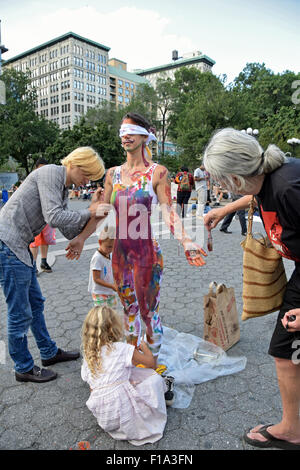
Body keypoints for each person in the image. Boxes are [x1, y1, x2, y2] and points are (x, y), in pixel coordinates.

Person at [65, 112, 206, 371]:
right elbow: (102, 211)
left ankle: (152, 366)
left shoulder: (157, 172)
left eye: (131, 131)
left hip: (147, 254)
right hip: (120, 254)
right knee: (128, 310)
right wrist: (80, 239)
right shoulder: (112, 175)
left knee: (148, 313)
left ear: (145, 136)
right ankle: (133, 362)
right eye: (122, 132)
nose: (125, 136)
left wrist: (186, 240)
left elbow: (168, 210)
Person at [203, 127, 300, 450]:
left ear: (235, 178)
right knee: (287, 350)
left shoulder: (290, 187)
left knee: (285, 349)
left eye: (219, 180)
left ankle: (291, 430)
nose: (217, 186)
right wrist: (223, 211)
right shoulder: (266, 178)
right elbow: (255, 194)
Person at [0, 146, 106, 383]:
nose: (86, 181)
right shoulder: (50, 173)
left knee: (35, 303)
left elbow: (68, 229)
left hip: (18, 246)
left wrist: (92, 217)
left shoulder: (62, 186)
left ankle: (48, 352)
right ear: (76, 164)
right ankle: (23, 367)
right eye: (87, 174)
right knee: (20, 311)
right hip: (8, 243)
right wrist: (89, 211)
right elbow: (54, 217)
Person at [81, 305, 167, 446]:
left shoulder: (89, 356)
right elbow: (151, 364)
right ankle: (148, 409)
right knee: (154, 378)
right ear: (114, 327)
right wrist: (143, 346)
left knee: (126, 376)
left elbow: (92, 387)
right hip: (124, 413)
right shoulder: (122, 348)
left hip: (105, 418)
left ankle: (120, 416)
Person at [29, 158, 56, 273]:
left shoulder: (49, 180)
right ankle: (33, 264)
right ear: (36, 168)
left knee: (46, 238)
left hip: (47, 214)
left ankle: (44, 261)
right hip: (35, 215)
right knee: (34, 241)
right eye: (41, 168)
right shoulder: (32, 180)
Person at [88, 226, 118, 308]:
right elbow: (96, 279)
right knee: (103, 315)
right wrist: (112, 286)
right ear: (100, 242)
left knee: (112, 313)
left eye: (113, 247)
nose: (111, 249)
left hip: (110, 292)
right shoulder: (97, 258)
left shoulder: (110, 254)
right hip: (99, 292)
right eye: (109, 247)